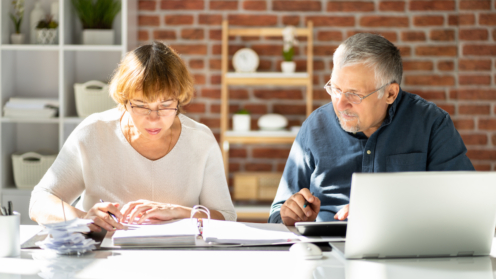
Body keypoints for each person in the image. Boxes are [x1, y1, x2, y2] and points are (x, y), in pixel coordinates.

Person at [268, 33, 474, 226]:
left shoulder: (431, 124)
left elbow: (465, 204)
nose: (339, 105)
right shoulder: (314, 127)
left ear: (390, 94)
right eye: (336, 89)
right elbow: (278, 212)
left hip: (406, 253)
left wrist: (384, 213)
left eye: (354, 95)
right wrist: (289, 216)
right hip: (325, 252)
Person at [30, 41, 236, 232]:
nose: (153, 119)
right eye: (141, 106)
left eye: (165, 106)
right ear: (125, 100)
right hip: (102, 261)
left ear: (179, 100)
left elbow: (227, 218)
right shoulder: (94, 132)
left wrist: (181, 212)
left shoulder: (200, 140)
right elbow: (40, 201)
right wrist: (83, 219)